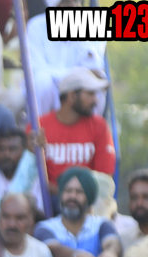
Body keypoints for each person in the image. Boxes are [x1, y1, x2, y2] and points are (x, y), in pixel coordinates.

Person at [35, 67, 115, 204]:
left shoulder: (99, 126)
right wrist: (67, 194)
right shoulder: (39, 127)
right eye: (90, 94)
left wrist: (75, 195)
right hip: (47, 201)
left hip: (88, 202)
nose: (95, 100)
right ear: (72, 96)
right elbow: (35, 179)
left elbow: (104, 179)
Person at [26, 0, 107, 117]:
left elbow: (94, 66)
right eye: (66, 3)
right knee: (41, 82)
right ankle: (40, 125)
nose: (72, 6)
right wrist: (69, 77)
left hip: (79, 83)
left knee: (97, 82)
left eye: (75, 2)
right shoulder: (36, 26)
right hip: (51, 83)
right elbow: (37, 67)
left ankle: (91, 126)